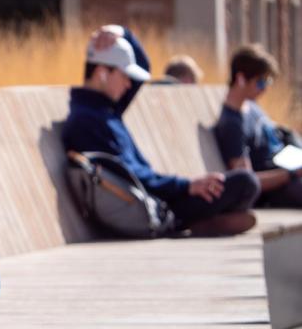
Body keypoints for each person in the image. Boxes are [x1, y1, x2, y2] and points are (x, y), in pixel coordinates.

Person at [62, 24, 260, 236]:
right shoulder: (87, 120)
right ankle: (188, 222)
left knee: (244, 183)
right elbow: (130, 176)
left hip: (159, 196)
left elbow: (143, 66)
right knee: (244, 183)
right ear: (102, 73)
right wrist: (186, 186)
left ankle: (203, 221)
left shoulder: (107, 108)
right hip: (153, 206)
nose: (129, 84)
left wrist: (119, 32)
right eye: (124, 75)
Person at [214, 44, 302, 207]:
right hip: (281, 187)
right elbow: (248, 180)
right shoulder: (232, 124)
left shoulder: (251, 106)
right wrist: (290, 174)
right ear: (240, 79)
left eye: (267, 82)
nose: (265, 88)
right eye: (261, 82)